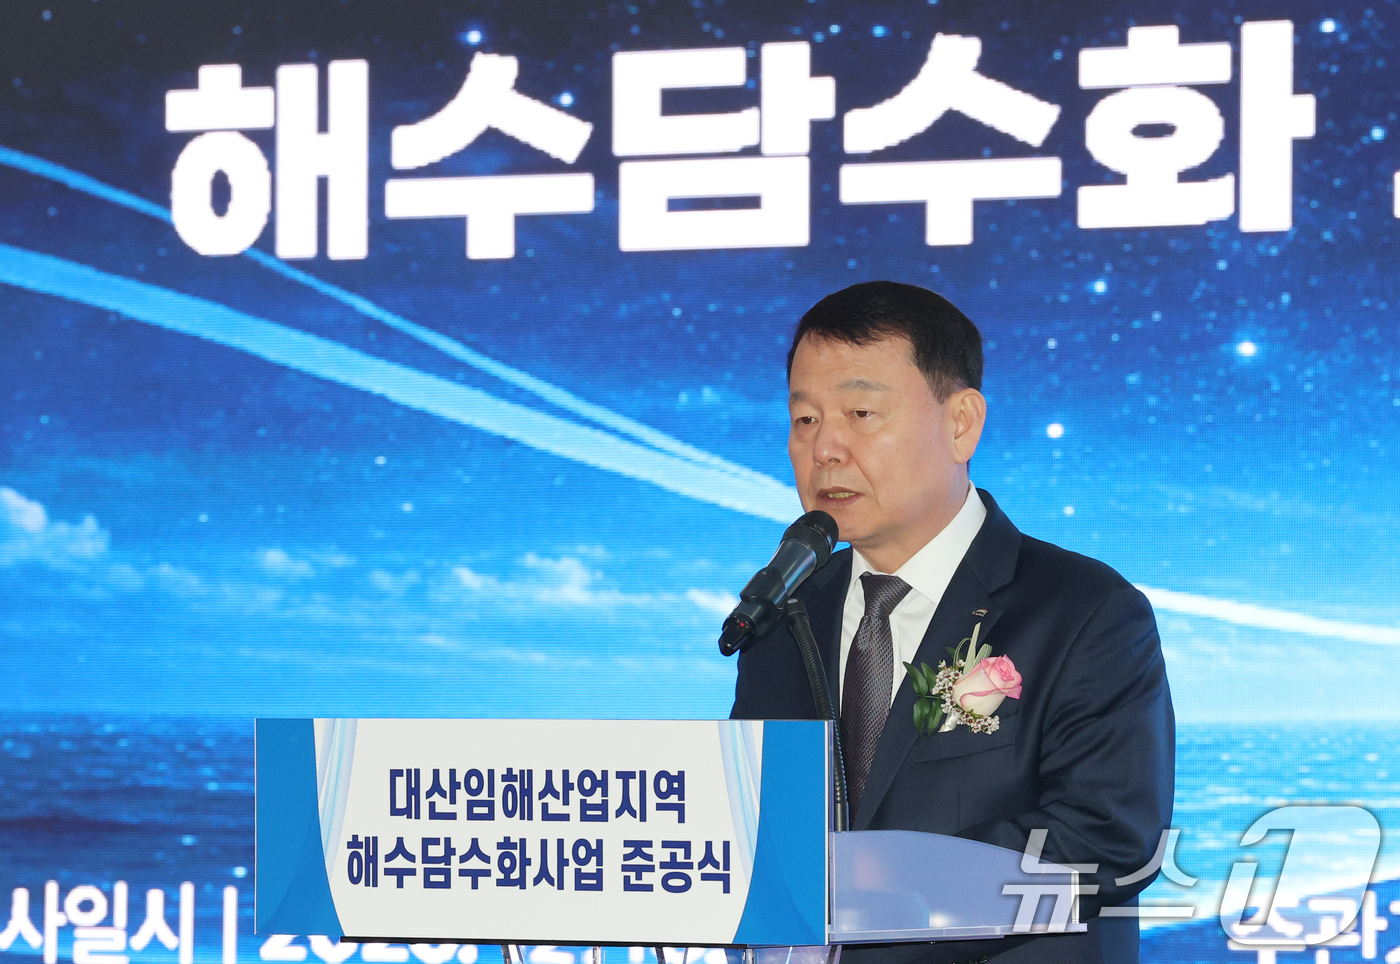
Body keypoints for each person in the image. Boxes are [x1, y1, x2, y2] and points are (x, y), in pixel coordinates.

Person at [730, 281, 1175, 964]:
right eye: (805, 419)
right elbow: (756, 834)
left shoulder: (1084, 611)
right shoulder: (785, 615)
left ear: (961, 423)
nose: (825, 449)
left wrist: (860, 888)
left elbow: (1103, 841)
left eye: (861, 413)